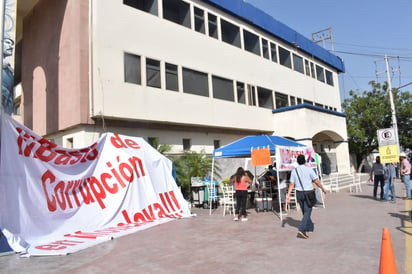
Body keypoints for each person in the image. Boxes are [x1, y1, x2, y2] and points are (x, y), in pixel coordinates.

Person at [286, 155, 326, 239]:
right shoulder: (309, 169)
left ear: (297, 162)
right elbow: (316, 181)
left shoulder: (294, 171)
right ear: (305, 161)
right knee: (307, 211)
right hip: (309, 192)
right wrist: (322, 188)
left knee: (305, 212)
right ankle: (302, 230)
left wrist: (288, 194)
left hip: (299, 193)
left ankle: (309, 227)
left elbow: (291, 184)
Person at [2, 37, 15, 115]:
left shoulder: (9, 69)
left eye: (12, 44)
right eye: (7, 43)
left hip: (6, 110)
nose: (11, 46)